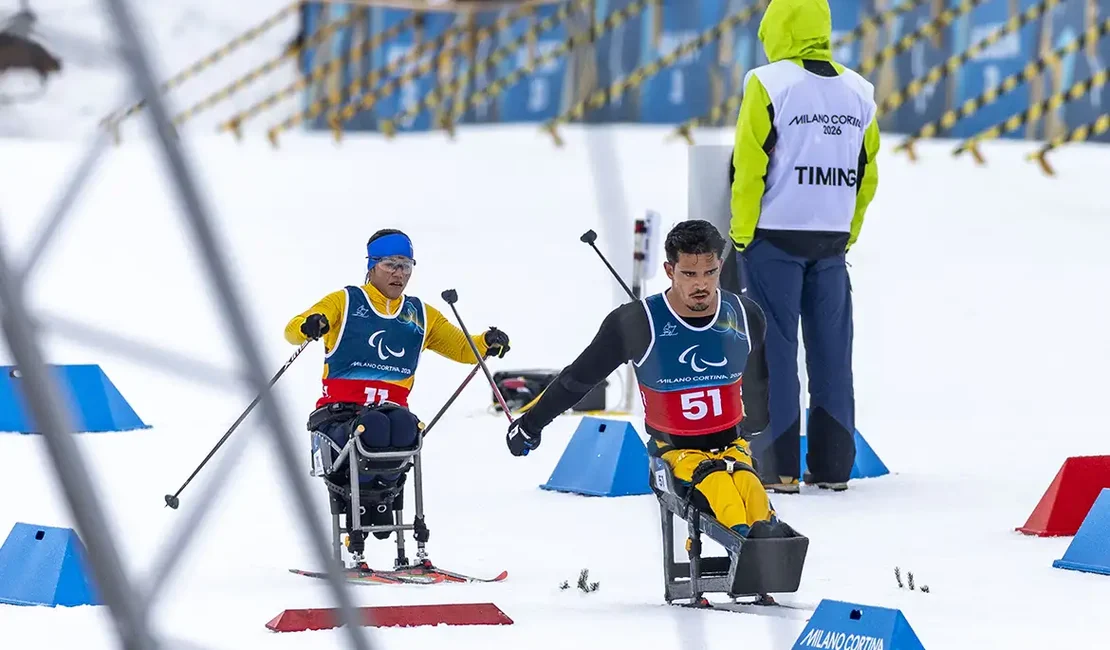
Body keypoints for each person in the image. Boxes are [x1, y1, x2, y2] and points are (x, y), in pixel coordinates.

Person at [504, 220, 787, 538]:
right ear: (669, 270)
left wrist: (755, 424)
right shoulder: (638, 322)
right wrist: (530, 425)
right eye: (689, 274)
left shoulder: (745, 316)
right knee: (723, 493)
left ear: (720, 265)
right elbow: (578, 379)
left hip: (732, 447)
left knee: (752, 494)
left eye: (709, 273)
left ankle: (769, 550)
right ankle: (755, 551)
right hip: (676, 453)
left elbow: (759, 381)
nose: (701, 285)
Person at [284, 228, 510, 561]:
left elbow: (464, 348)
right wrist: (310, 324)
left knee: (406, 428)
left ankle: (382, 503)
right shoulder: (345, 302)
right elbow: (293, 329)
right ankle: (361, 506)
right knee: (373, 428)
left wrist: (486, 341)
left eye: (406, 265)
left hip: (391, 413)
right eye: (390, 264)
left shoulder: (420, 314)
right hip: (340, 415)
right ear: (372, 265)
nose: (399, 273)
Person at [729, 0, 880, 494]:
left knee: (774, 352)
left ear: (777, 27)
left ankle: (779, 469)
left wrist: (742, 232)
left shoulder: (767, 82)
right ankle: (835, 467)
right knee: (833, 354)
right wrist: (848, 231)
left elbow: (749, 166)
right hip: (832, 242)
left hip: (774, 238)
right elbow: (867, 173)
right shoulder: (860, 90)